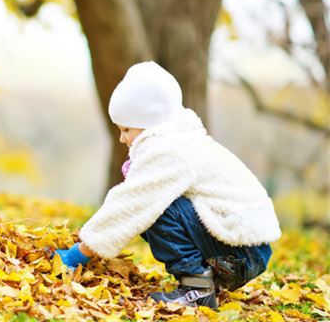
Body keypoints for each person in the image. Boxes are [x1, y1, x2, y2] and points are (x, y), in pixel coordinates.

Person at [55, 62, 281, 309]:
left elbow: (132, 203)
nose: (122, 138)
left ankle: (197, 288)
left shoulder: (170, 152)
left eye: (126, 129)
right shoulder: (179, 141)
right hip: (244, 248)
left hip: (241, 252)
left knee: (151, 204)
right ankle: (203, 280)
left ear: (147, 121)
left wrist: (79, 253)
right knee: (149, 202)